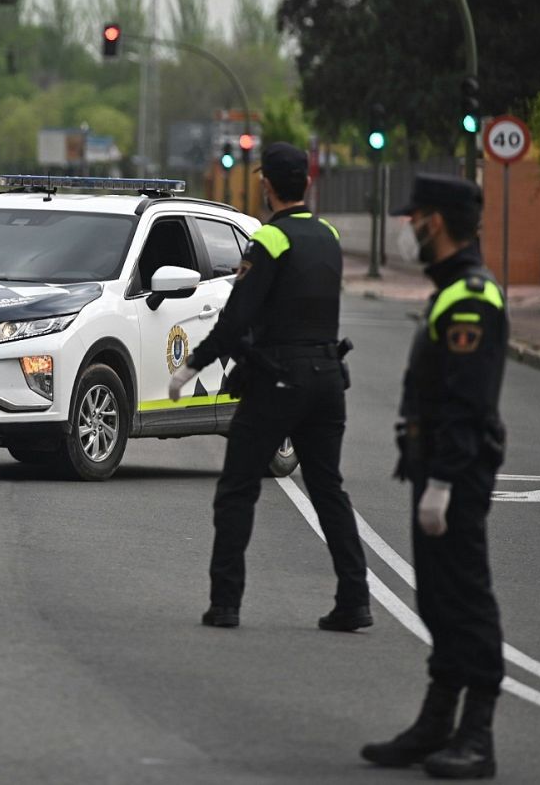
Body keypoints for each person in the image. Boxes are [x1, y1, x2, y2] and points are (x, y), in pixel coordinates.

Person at [168, 142, 370, 630]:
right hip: (328, 378)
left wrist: (192, 366)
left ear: (267, 186)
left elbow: (237, 317)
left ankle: (225, 603)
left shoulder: (270, 240)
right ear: (308, 183)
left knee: (237, 490)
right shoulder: (328, 235)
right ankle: (355, 600)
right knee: (329, 491)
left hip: (279, 380)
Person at [362, 174, 506, 779]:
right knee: (439, 598)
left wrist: (444, 481)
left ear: (436, 223)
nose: (408, 228)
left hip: (457, 472)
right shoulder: (450, 290)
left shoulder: (471, 296)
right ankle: (436, 721)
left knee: (466, 597)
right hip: (435, 466)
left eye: (413, 218)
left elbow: (467, 402)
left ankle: (478, 734)